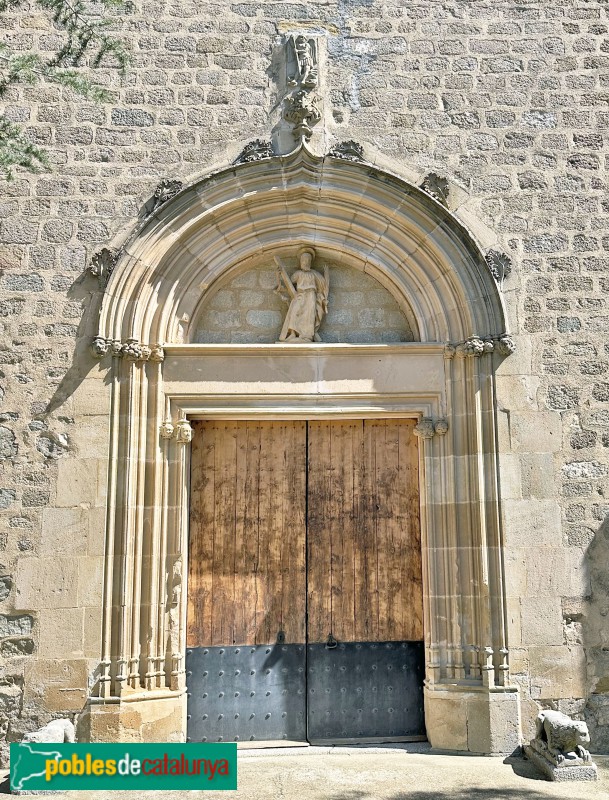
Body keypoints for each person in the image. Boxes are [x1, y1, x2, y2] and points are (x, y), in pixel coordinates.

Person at [274, 247, 329, 343]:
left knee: (309, 315)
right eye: (303, 260)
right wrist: (278, 275)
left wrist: (326, 276)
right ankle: (292, 334)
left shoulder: (314, 274)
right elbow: (288, 285)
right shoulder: (298, 274)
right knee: (294, 311)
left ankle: (306, 336)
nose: (305, 262)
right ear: (300, 262)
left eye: (307, 260)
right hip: (299, 295)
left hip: (311, 296)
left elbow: (323, 287)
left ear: (310, 262)